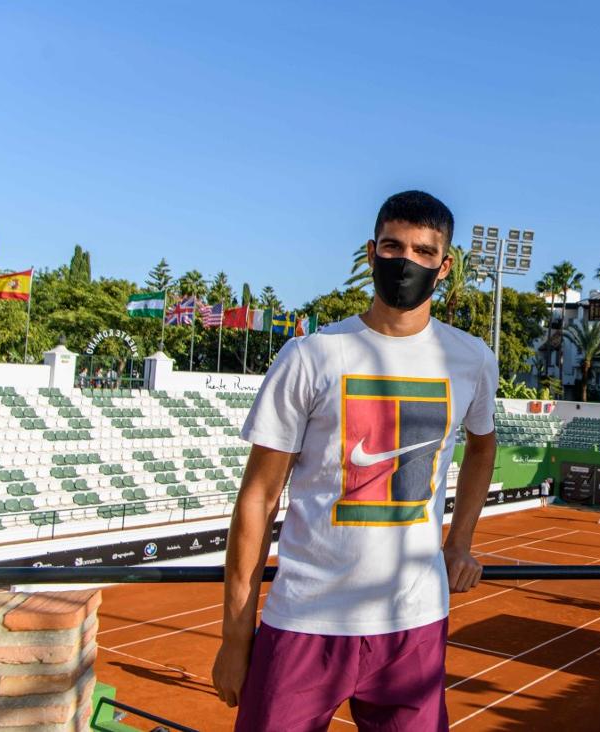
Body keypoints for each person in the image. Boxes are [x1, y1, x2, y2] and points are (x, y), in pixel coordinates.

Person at [211, 191, 498, 731]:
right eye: (392, 246)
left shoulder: (472, 359)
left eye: (422, 251)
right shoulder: (311, 355)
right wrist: (235, 637)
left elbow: (483, 445)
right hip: (305, 620)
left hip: (415, 624)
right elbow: (257, 498)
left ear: (445, 265)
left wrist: (459, 542)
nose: (405, 262)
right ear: (371, 252)